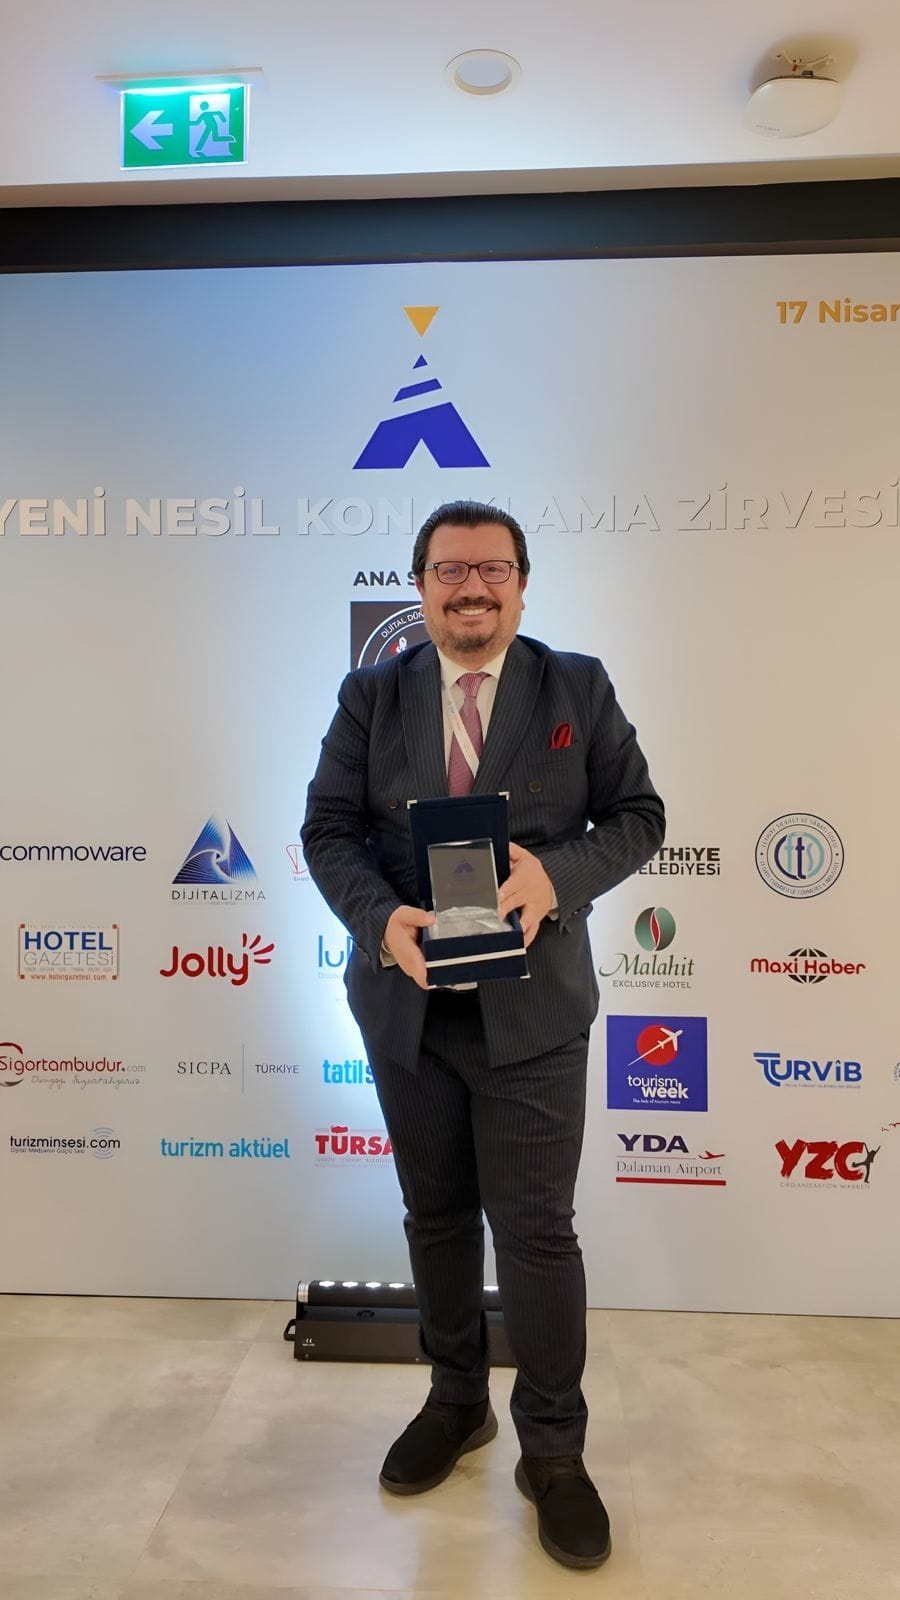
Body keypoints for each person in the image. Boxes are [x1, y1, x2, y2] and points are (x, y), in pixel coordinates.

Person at [302, 500, 664, 1570]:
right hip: (410, 1008)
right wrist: (380, 920)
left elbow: (640, 815)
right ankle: (458, 1401)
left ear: (521, 581)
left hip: (533, 1012)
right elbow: (327, 829)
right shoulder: (371, 694)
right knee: (438, 1218)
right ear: (419, 585)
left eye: (492, 568)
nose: (472, 587)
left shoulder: (576, 685)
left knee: (539, 1234)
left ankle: (554, 1452)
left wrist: (556, 876)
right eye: (451, 569)